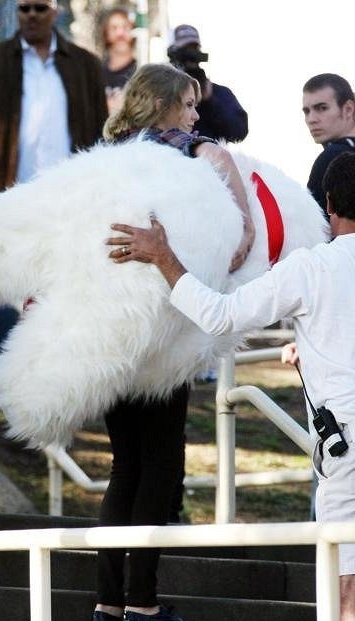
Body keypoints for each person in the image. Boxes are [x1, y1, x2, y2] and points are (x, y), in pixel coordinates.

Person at [106, 150, 355, 621]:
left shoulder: (311, 268)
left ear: (329, 206)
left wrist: (163, 257)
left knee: (345, 590)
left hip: (345, 444)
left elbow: (220, 316)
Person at [92, 63, 254, 621]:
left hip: (113, 327)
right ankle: (142, 604)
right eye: (187, 103)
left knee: (125, 466)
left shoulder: (105, 158)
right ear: (162, 104)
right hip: (165, 328)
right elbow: (240, 234)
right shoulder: (194, 155)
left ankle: (109, 604)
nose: (195, 113)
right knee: (160, 465)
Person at [0, 0, 107, 366]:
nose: (32, 15)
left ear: (55, 11)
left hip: (71, 196)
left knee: (63, 280)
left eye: (40, 7)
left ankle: (58, 364)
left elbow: (102, 130)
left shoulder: (85, 65)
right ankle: (0, 366)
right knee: (7, 280)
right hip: (9, 191)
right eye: (24, 8)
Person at [167, 24, 248, 143]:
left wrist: (209, 101)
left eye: (194, 50)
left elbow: (238, 132)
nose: (191, 57)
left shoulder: (218, 93)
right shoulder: (162, 91)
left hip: (208, 157)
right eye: (185, 52)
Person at [303, 73, 355, 220]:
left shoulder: (332, 157)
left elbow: (314, 228)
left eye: (322, 108)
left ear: (348, 109)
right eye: (306, 111)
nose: (311, 119)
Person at [100, 7, 137, 114]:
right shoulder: (96, 72)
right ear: (106, 33)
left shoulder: (141, 70)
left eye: (125, 27)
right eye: (114, 28)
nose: (120, 34)